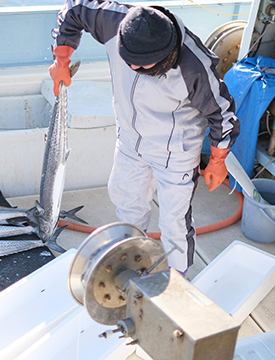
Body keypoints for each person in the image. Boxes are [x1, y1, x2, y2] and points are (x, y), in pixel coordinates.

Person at [49, 1, 240, 273]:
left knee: (174, 222)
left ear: (168, 54)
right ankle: (128, 265)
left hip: (176, 151)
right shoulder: (115, 21)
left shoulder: (194, 66)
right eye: (129, 62)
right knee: (127, 205)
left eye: (143, 66)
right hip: (130, 139)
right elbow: (75, 8)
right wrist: (61, 59)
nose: (135, 68)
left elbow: (222, 112)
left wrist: (218, 160)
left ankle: (179, 281)